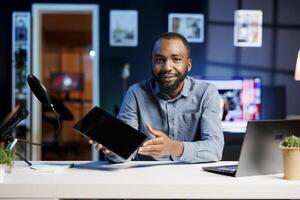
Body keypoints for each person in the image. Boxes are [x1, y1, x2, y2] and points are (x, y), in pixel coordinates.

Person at [90, 32, 224, 163]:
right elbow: (125, 151)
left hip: (191, 178)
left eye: (176, 59)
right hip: (146, 179)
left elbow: (215, 149)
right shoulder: (135, 93)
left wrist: (173, 147)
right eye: (160, 60)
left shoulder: (206, 92)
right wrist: (114, 149)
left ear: (188, 65)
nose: (167, 67)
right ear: (152, 63)